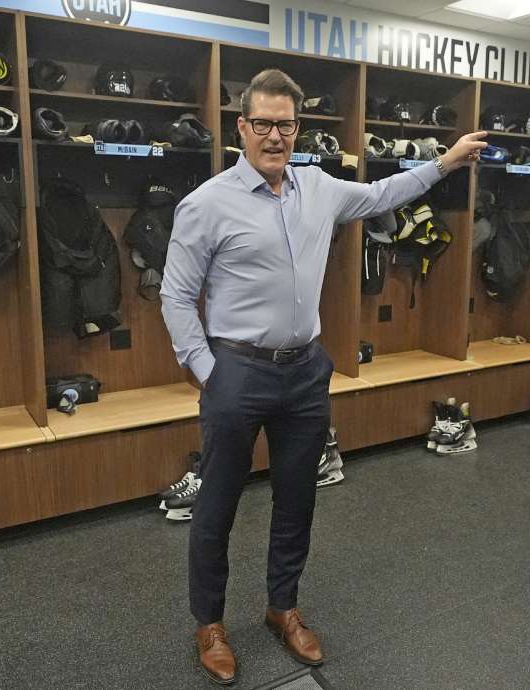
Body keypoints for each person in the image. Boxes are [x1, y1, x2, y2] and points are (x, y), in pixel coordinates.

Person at [160, 68, 487, 686]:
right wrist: (210, 372)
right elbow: (177, 297)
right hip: (237, 373)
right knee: (218, 505)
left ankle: (282, 608)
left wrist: (444, 163)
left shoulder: (320, 188)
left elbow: (385, 193)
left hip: (305, 372)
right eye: (262, 124)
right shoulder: (205, 204)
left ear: (297, 128)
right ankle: (209, 622)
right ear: (242, 127)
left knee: (297, 499)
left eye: (285, 124)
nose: (274, 135)